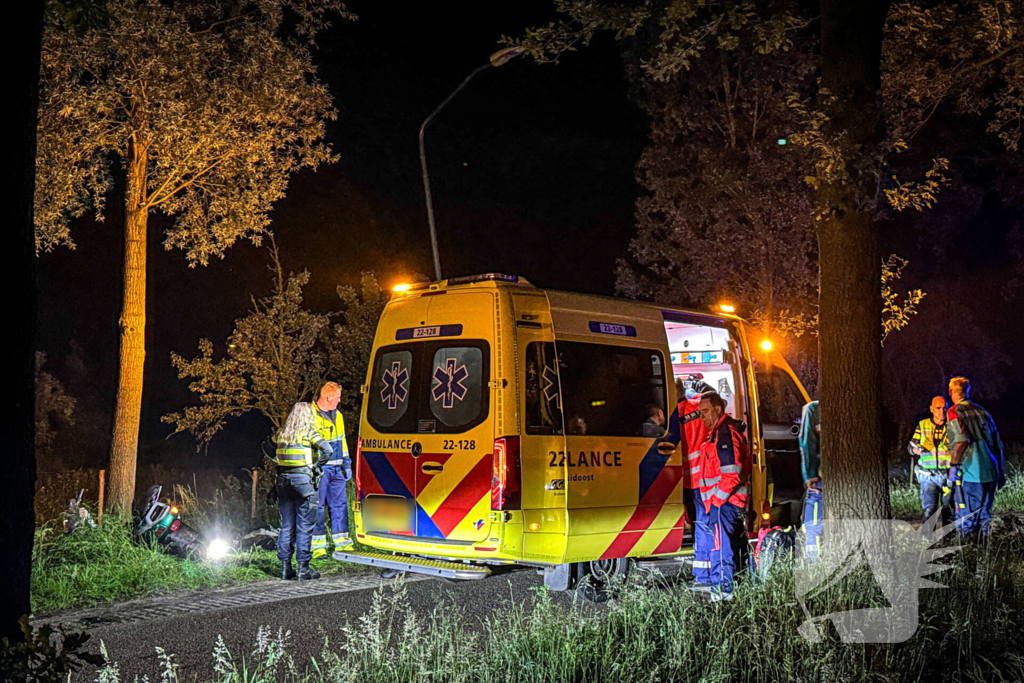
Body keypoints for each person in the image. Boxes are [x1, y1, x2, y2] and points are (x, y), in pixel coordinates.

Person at [695, 391, 751, 601]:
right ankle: (734, 589)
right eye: (700, 413)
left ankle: (723, 592)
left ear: (718, 409)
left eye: (706, 412)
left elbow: (731, 473)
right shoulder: (721, 432)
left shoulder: (724, 434)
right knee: (733, 545)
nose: (703, 418)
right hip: (727, 502)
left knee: (721, 548)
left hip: (725, 502)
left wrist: (715, 502)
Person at [274, 389, 334, 580]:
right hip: (303, 483)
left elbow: (269, 448)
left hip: (283, 483)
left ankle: (285, 568)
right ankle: (303, 568)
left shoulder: (281, 435)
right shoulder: (308, 433)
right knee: (305, 526)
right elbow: (328, 450)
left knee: (286, 526)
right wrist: (317, 466)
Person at [946, 377, 1005, 540]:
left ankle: (969, 559)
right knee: (985, 519)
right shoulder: (983, 412)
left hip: (971, 474)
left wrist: (954, 465)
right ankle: (986, 558)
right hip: (990, 472)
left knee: (968, 521)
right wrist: (1000, 472)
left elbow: (962, 440)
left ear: (951, 392)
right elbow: (998, 445)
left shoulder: (954, 412)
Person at [311, 382, 354, 559]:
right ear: (328, 397)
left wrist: (347, 463)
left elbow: (342, 441)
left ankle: (343, 544)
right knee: (317, 508)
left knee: (340, 506)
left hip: (337, 469)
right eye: (337, 397)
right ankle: (317, 548)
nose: (339, 400)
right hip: (319, 469)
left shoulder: (339, 416)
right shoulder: (310, 415)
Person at [678, 380, 713, 584]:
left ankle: (702, 571)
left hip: (684, 480)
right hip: (704, 478)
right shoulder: (699, 406)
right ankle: (704, 571)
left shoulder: (674, 414)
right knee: (705, 524)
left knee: (696, 523)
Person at [908, 396, 952, 523]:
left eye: (944, 408)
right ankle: (926, 541)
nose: (942, 411)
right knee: (929, 510)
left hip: (948, 475)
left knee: (947, 510)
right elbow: (911, 446)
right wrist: (915, 450)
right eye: (938, 408)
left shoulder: (952, 425)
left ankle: (948, 540)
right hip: (928, 475)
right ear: (932, 409)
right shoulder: (923, 425)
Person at [799, 400, 822, 561]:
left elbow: (806, 444)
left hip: (820, 482)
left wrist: (810, 475)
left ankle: (815, 566)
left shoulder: (813, 409)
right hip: (849, 480)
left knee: (813, 527)